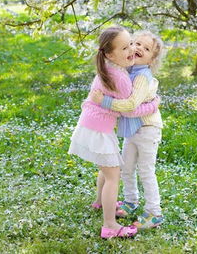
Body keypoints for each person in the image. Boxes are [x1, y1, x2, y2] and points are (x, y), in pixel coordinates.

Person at [68, 26, 159, 239]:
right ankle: (110, 225)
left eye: (132, 44)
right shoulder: (121, 78)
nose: (131, 50)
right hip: (99, 130)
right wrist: (153, 105)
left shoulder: (108, 68)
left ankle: (99, 201)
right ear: (110, 54)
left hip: (90, 125)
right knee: (113, 176)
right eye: (126, 47)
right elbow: (130, 108)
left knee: (106, 168)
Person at [91, 30, 164, 229]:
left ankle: (154, 213)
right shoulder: (127, 71)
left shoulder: (142, 77)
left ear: (151, 60)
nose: (138, 48)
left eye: (146, 48)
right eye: (136, 43)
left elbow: (130, 105)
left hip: (147, 129)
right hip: (133, 129)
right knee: (127, 168)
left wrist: (104, 101)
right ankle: (131, 202)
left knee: (146, 171)